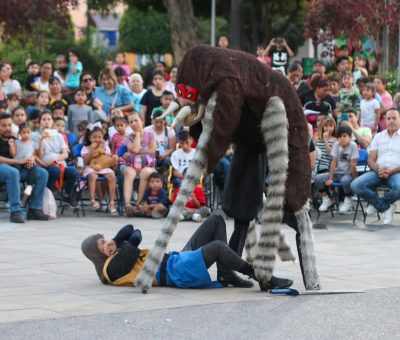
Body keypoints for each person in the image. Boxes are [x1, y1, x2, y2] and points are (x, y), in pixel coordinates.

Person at [81, 215, 293, 289]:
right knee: (218, 247)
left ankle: (225, 272)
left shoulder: (113, 256)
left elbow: (131, 229)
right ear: (96, 254)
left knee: (216, 220)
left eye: (104, 240)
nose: (107, 244)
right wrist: (117, 243)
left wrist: (114, 242)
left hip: (174, 261)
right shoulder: (111, 271)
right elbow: (135, 237)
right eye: (102, 244)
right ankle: (263, 277)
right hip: (175, 273)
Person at [351, 109, 400, 225]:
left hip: (397, 172)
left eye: (394, 118)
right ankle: (384, 207)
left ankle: (377, 204)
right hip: (378, 171)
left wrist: (391, 171)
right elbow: (371, 160)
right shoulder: (379, 136)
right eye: (388, 118)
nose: (391, 121)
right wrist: (378, 169)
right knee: (356, 185)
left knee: (399, 187)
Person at [0, 114, 49, 223]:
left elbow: (26, 151)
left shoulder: (14, 139)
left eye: (9, 125)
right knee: (13, 173)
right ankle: (15, 211)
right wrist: (19, 161)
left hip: (17, 169)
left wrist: (30, 159)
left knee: (42, 173)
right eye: (3, 126)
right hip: (4, 168)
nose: (7, 128)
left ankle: (34, 209)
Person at [36, 112, 78, 208]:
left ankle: (67, 196)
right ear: (39, 123)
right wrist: (41, 139)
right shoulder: (36, 136)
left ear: (52, 123)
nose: (46, 122)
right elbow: (39, 155)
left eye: (49, 119)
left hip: (59, 164)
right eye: (44, 119)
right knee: (54, 170)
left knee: (73, 171)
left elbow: (65, 154)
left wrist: (55, 159)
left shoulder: (58, 136)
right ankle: (49, 194)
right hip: (44, 165)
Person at [315, 125, 359, 213]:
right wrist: (330, 178)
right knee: (318, 178)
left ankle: (348, 199)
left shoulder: (353, 146)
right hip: (336, 174)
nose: (341, 139)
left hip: (348, 174)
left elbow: (353, 164)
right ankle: (326, 199)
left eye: (344, 136)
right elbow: (333, 162)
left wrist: (355, 180)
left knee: (345, 181)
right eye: (339, 137)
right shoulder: (336, 145)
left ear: (350, 137)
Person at [122, 112, 157, 215]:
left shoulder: (150, 135)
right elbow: (136, 149)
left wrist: (135, 151)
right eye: (131, 122)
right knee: (128, 172)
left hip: (148, 166)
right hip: (133, 165)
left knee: (145, 172)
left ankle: (137, 204)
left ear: (141, 120)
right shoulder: (128, 137)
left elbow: (152, 150)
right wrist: (137, 136)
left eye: (136, 120)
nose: (133, 123)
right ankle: (128, 205)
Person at [81, 123, 118, 216]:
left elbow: (108, 158)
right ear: (90, 138)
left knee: (111, 175)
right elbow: (86, 162)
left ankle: (112, 202)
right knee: (93, 176)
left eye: (100, 137)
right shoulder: (86, 147)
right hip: (91, 166)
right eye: (94, 137)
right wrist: (91, 151)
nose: (97, 139)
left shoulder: (105, 146)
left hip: (103, 166)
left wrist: (104, 152)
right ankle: (93, 200)